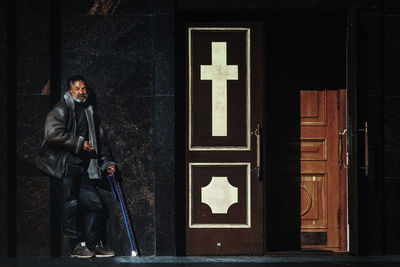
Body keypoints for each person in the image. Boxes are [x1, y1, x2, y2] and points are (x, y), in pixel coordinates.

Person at [36, 75, 117, 258]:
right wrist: (79, 143)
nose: (81, 92)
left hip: (83, 168)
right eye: (77, 88)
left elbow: (101, 141)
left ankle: (94, 244)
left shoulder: (89, 111)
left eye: (83, 88)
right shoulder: (62, 109)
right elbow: (52, 134)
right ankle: (76, 246)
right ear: (69, 91)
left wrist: (107, 162)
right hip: (64, 167)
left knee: (96, 205)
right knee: (70, 205)